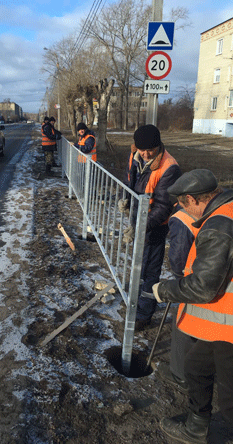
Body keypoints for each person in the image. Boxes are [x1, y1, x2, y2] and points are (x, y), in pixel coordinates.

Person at [152, 169, 233, 444]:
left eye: (183, 206)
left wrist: (165, 290)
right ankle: (197, 427)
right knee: (196, 367)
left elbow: (203, 286)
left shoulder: (218, 226)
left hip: (229, 327)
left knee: (229, 396)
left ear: (192, 199)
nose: (184, 212)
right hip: (222, 324)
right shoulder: (226, 209)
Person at [119, 124, 181, 331]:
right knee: (138, 264)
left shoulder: (169, 167)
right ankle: (134, 301)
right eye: (141, 149)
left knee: (149, 271)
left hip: (155, 226)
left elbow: (164, 207)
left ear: (159, 146)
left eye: (150, 151)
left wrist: (141, 227)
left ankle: (144, 315)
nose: (145, 154)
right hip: (139, 220)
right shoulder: (135, 155)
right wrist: (125, 199)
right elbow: (131, 181)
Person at [157, 204, 199, 394]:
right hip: (219, 276)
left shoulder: (182, 218)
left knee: (184, 321)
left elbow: (179, 255)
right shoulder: (222, 208)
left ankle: (180, 374)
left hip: (196, 279)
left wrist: (178, 282)